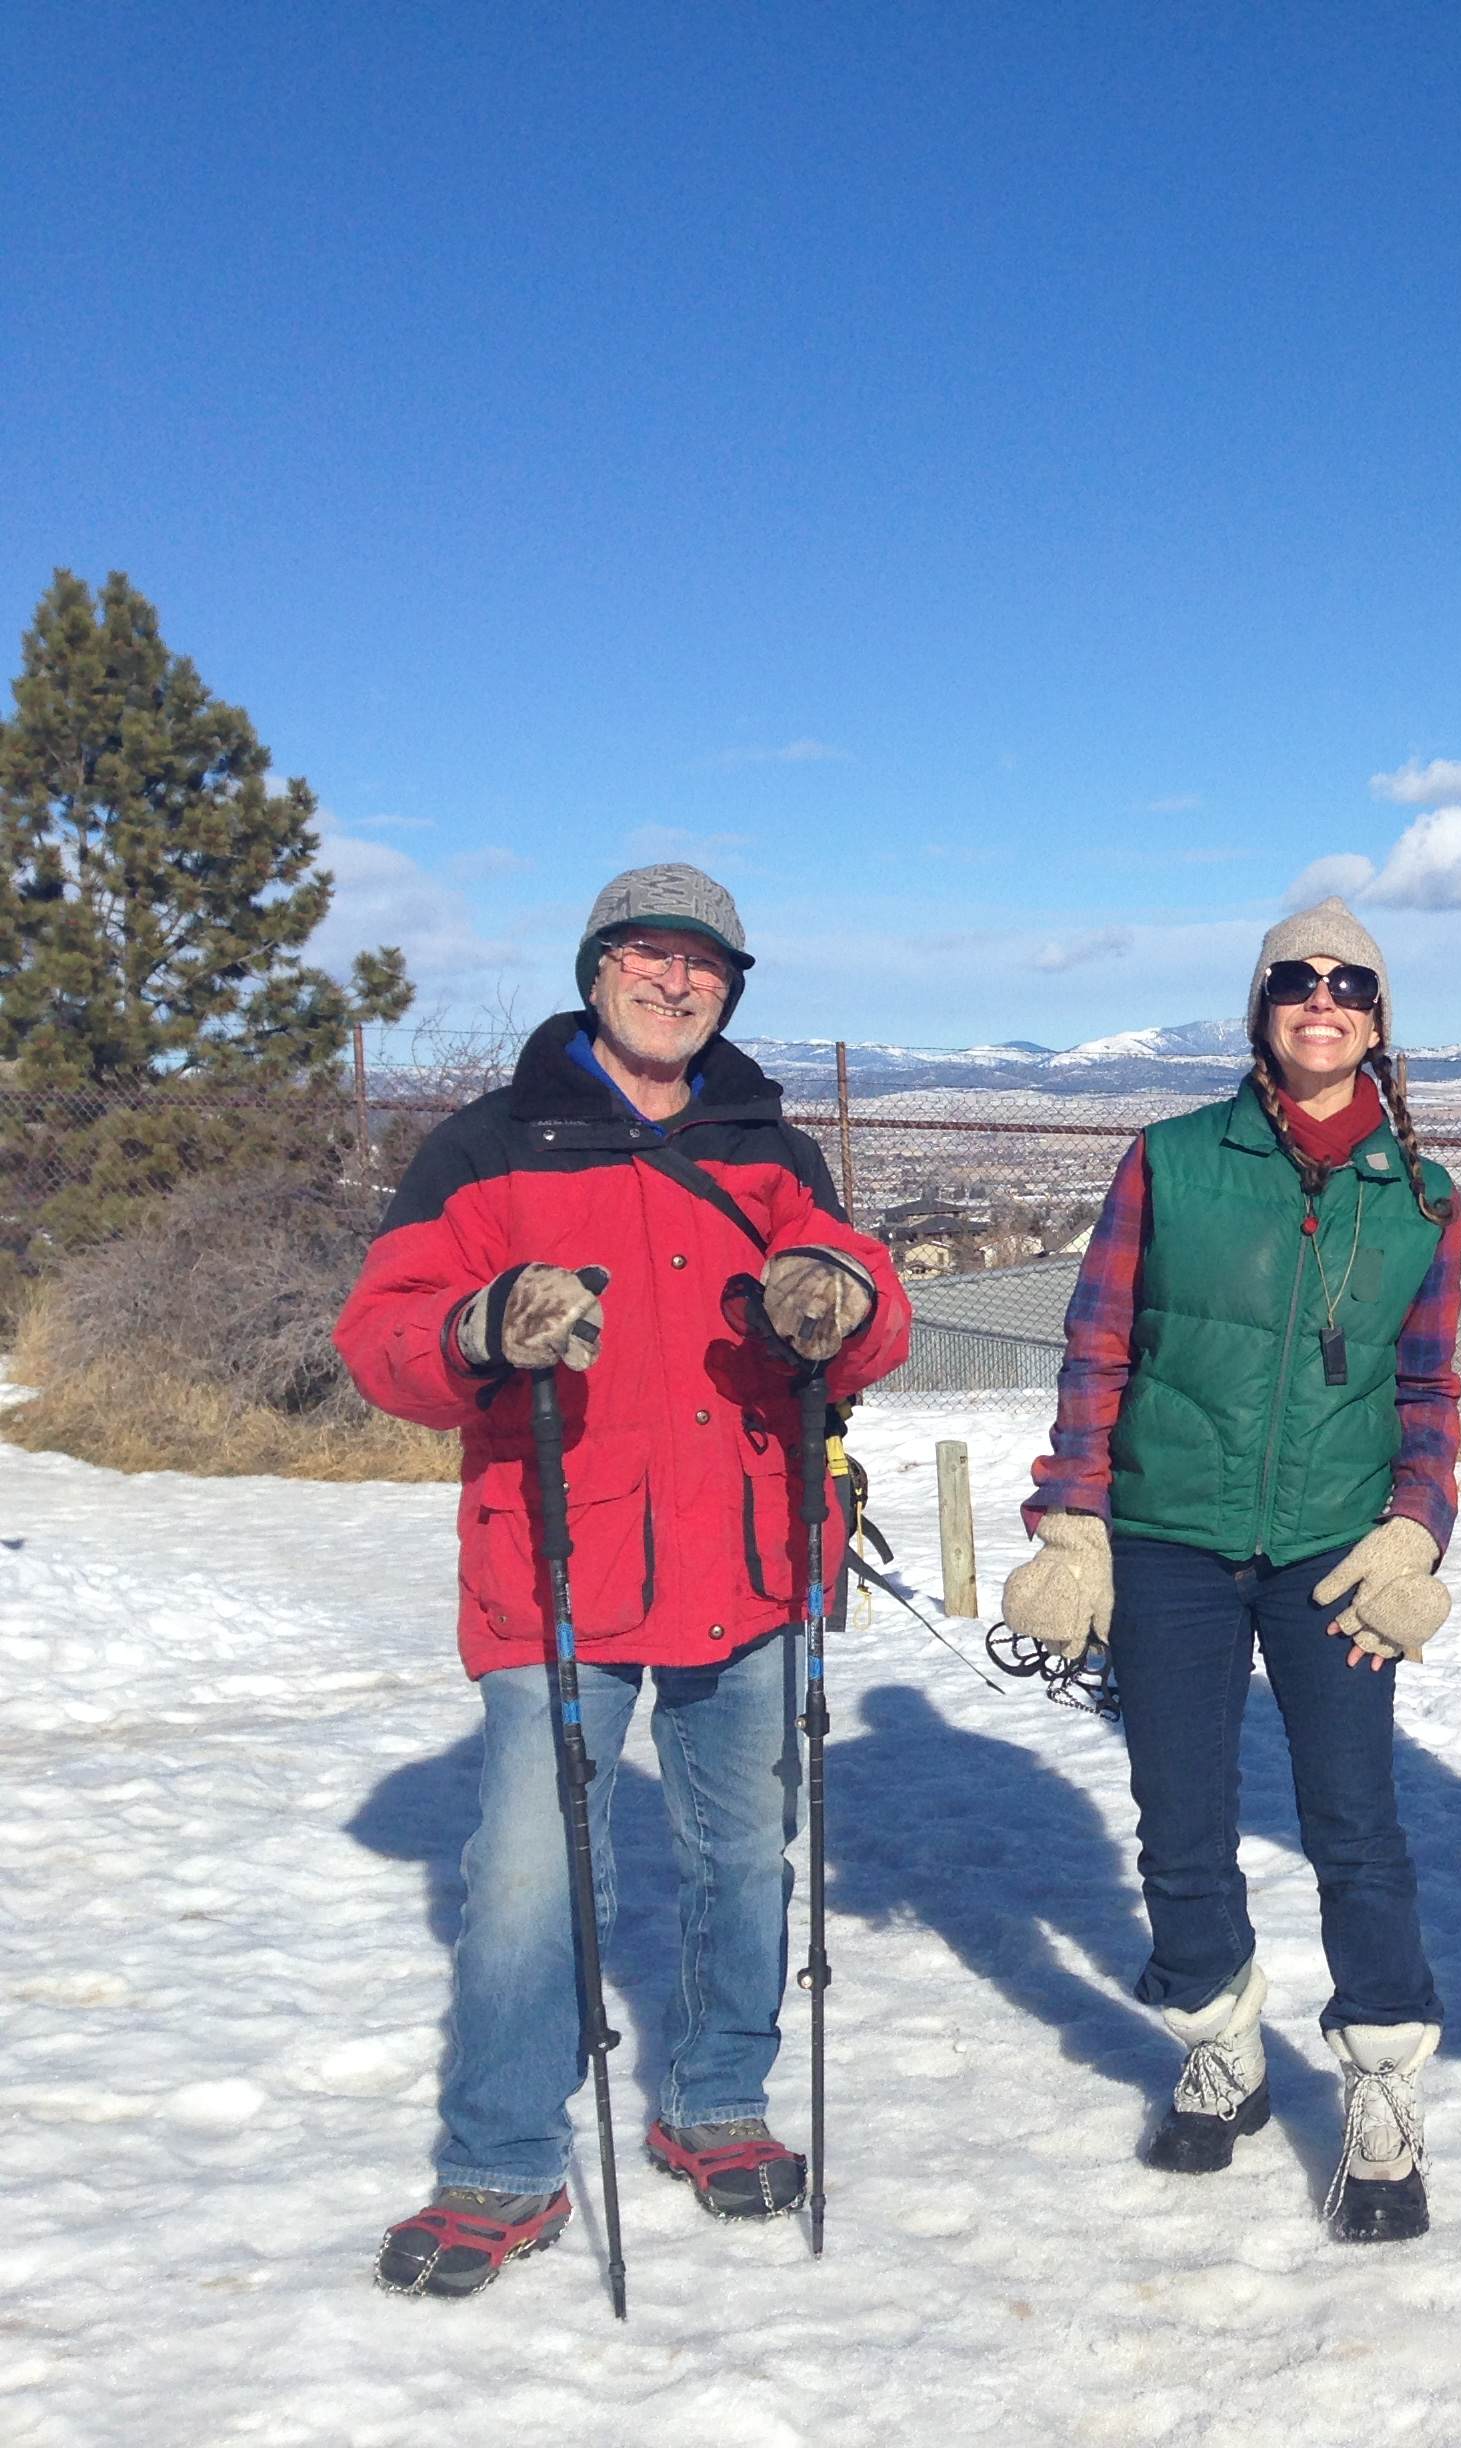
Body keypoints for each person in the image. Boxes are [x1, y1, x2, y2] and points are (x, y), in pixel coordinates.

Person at [336, 862, 911, 2297]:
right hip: (558, 1569)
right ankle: (499, 2165)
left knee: (742, 1858)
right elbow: (383, 1334)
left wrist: (838, 1302)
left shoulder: (770, 1144)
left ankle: (717, 2101)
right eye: (649, 958)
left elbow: (864, 1299)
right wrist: (477, 1326)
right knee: (530, 1876)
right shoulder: (486, 1145)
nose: (676, 982)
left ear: (729, 986)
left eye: (705, 964)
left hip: (751, 1560)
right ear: (597, 971)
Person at [1001, 896, 1461, 2244]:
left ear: (1379, 1022)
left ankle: (1379, 2086)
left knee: (1354, 1824)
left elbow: (1429, 1390)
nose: (1322, 1001)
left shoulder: (1421, 1196)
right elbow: (1097, 1350)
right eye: (1295, 982)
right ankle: (1220, 2042)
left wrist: (1417, 1527)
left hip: (1334, 1553)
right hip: (1171, 1537)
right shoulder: (1170, 1159)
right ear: (1261, 1009)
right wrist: (1073, 1520)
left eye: (1350, 984)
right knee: (1181, 1816)